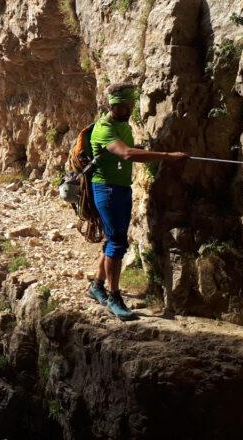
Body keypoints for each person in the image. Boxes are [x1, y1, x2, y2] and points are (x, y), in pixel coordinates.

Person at [87, 82, 188, 320]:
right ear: (114, 106)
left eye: (130, 105)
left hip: (121, 188)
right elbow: (126, 153)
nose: (128, 110)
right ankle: (114, 297)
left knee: (112, 240)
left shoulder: (123, 125)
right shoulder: (104, 128)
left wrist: (147, 149)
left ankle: (97, 286)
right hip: (107, 189)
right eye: (123, 106)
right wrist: (166, 157)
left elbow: (130, 148)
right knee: (117, 244)